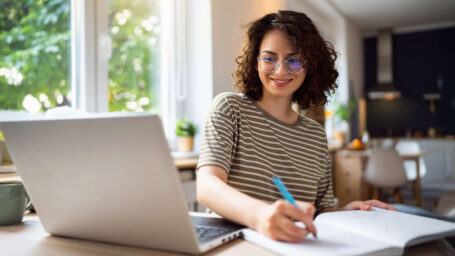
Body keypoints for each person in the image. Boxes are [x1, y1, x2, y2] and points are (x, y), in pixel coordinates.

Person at [196, 10, 395, 243]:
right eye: (269, 58)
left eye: (294, 60)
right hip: (235, 244)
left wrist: (346, 213)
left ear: (310, 65)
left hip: (294, 245)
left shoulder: (315, 135)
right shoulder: (229, 108)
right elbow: (207, 186)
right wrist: (261, 215)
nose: (281, 71)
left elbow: (319, 211)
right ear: (255, 61)